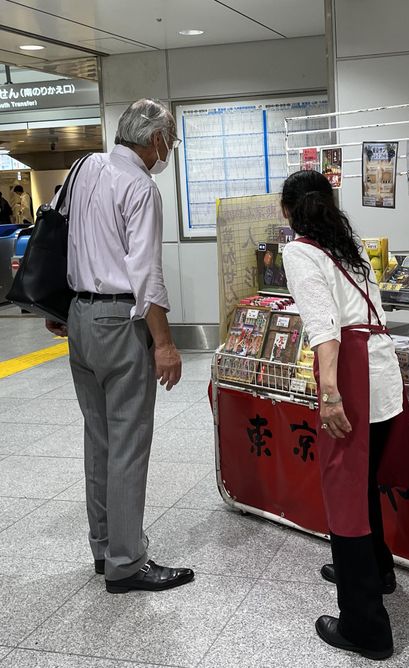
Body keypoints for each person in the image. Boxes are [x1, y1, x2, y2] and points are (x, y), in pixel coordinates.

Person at [44, 98, 193, 594]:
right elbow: (146, 274)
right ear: (154, 140)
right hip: (118, 319)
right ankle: (127, 564)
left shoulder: (85, 168)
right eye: (168, 141)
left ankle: (104, 548)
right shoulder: (140, 187)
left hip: (80, 317)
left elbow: (61, 234)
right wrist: (165, 344)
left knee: (99, 439)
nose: (168, 149)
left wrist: (60, 305)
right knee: (129, 441)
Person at [282, 170, 409, 661]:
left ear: (288, 211)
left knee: (345, 494)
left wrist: (329, 392)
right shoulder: (352, 245)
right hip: (383, 370)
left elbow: (324, 326)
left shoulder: (299, 251)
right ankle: (377, 568)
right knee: (364, 485)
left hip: (351, 373)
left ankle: (365, 628)